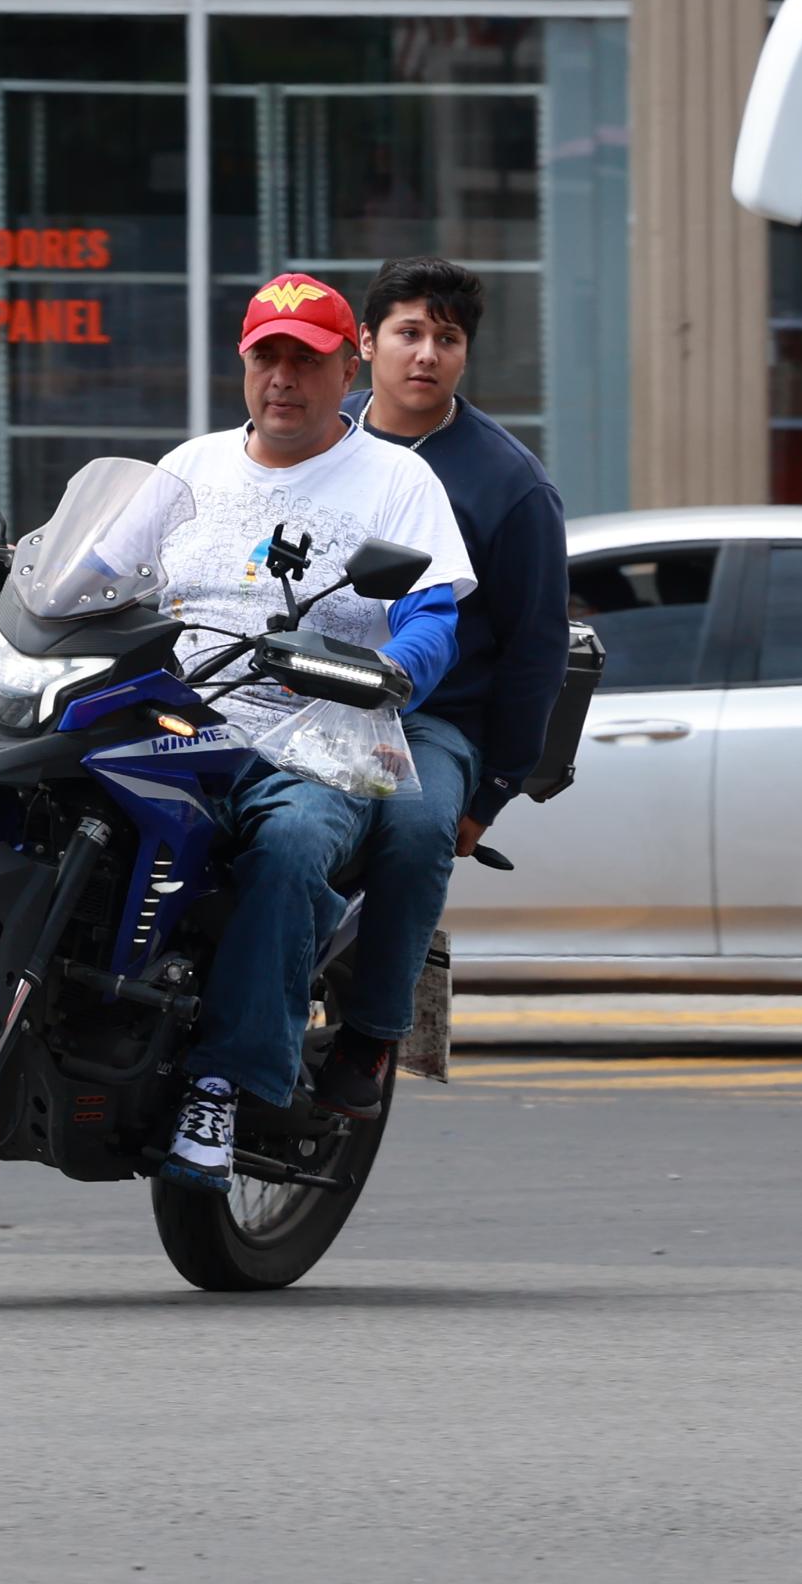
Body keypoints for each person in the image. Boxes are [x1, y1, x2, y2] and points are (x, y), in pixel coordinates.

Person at [132, 275, 475, 1191]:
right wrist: (14, 566)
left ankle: (224, 1085)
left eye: (306, 359)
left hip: (312, 737)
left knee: (290, 844)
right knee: (3, 746)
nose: (283, 377)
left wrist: (393, 668)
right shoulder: (189, 466)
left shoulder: (398, 479)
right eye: (267, 356)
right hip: (174, 716)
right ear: (243, 363)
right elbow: (92, 568)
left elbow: (433, 615)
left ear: (345, 369)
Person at [342, 248, 567, 906]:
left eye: (447, 339)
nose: (426, 355)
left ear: (465, 354)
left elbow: (536, 645)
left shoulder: (510, 482)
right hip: (300, 696)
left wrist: (494, 789)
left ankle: (387, 984)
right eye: (409, 333)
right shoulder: (322, 433)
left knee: (415, 833)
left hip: (434, 721)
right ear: (366, 341)